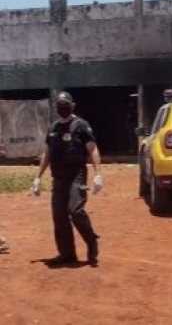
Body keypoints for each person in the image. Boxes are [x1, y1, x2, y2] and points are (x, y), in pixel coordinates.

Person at [33, 91, 103, 266]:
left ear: (72, 106)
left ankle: (91, 241)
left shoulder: (81, 126)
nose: (62, 107)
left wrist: (98, 174)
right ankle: (67, 253)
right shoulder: (53, 128)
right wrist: (38, 177)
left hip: (76, 176)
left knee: (75, 211)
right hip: (58, 178)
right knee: (59, 216)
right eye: (59, 105)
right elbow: (47, 153)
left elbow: (92, 149)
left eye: (65, 104)